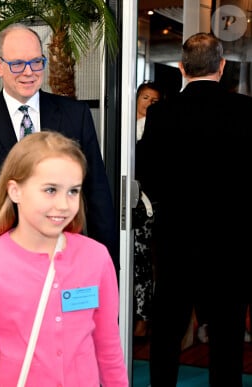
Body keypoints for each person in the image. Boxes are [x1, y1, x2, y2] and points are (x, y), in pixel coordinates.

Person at [0, 131, 127, 386]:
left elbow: (109, 348)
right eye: (50, 190)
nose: (63, 204)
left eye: (73, 191)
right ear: (15, 191)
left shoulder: (96, 258)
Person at [136, 32, 252, 386]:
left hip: (176, 239)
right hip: (232, 240)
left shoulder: (160, 114)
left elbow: (146, 174)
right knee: (228, 334)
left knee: (168, 330)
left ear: (182, 68)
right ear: (222, 66)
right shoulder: (247, 111)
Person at [0, 23, 118, 267]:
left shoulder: (75, 114)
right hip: (2, 257)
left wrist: (106, 260)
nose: (29, 72)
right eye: (17, 64)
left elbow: (95, 190)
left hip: (65, 251)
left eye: (36, 62)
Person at [132, 81, 161, 338]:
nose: (149, 103)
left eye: (154, 100)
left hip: (146, 205)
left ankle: (143, 317)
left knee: (141, 262)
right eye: (145, 98)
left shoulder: (158, 132)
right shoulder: (123, 126)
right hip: (124, 202)